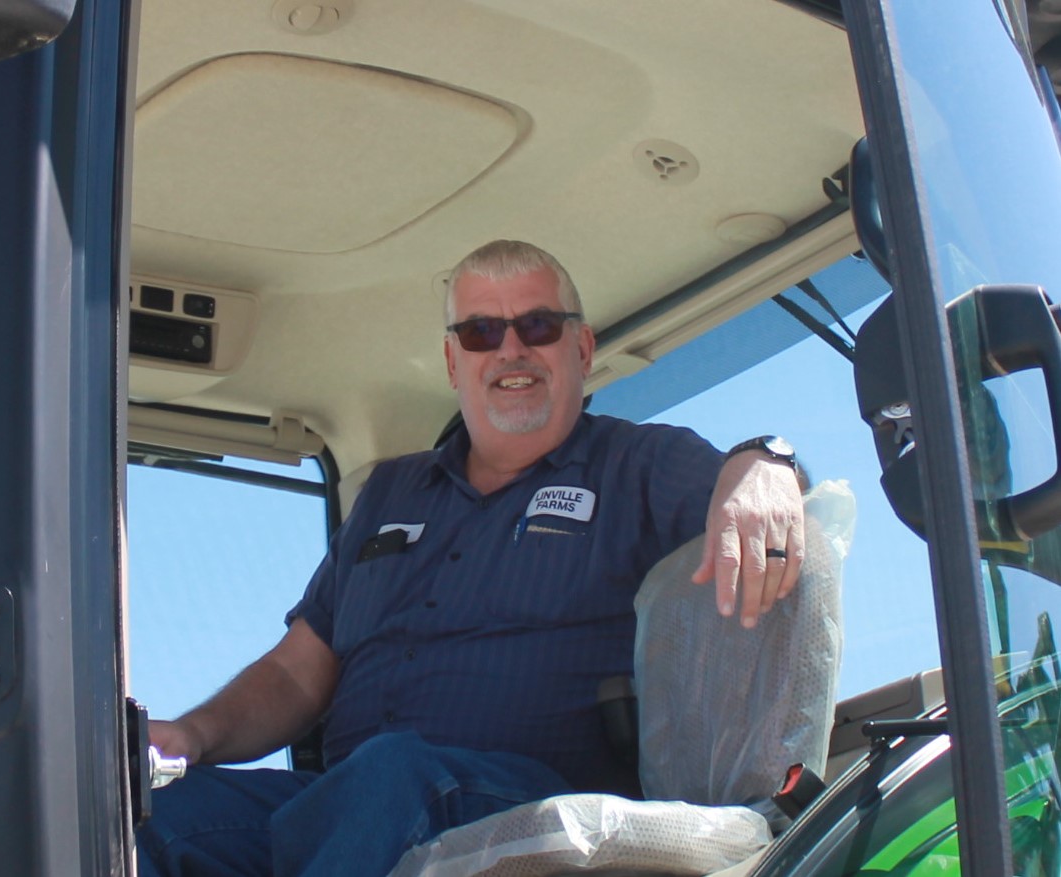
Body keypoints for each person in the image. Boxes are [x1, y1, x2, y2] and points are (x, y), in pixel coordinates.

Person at [137, 240, 805, 877]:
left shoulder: (638, 462)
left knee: (391, 773)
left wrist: (766, 461)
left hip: (533, 810)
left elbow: (766, 493)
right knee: (149, 812)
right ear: (455, 362)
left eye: (538, 325)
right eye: (481, 332)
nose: (511, 348)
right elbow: (295, 670)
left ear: (582, 345)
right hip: (352, 806)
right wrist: (190, 735)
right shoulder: (388, 493)